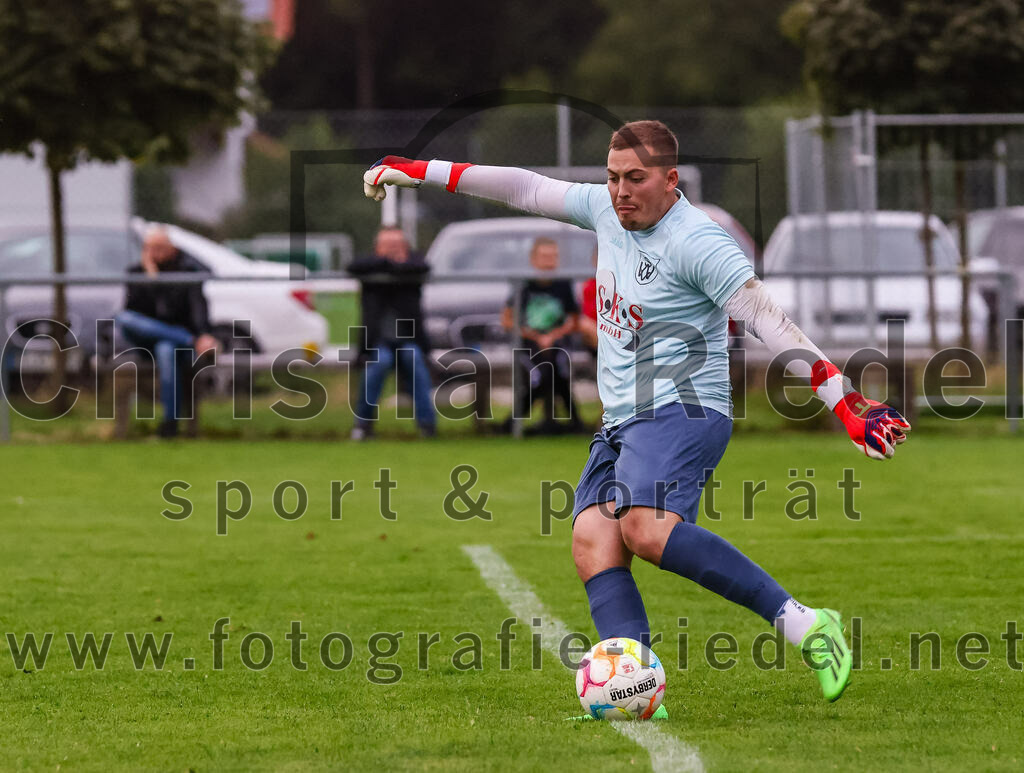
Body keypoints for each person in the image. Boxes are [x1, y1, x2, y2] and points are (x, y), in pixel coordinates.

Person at [361, 120, 911, 705]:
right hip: (624, 418)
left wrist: (846, 403)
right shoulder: (603, 210)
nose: (621, 190)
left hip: (686, 406)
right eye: (613, 177)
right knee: (593, 540)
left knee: (645, 529)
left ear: (670, 180)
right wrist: (421, 172)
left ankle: (805, 625)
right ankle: (634, 687)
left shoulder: (698, 241)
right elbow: (522, 187)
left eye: (636, 179)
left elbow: (770, 321)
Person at [115, 225, 218, 438]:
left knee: (165, 350)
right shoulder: (136, 273)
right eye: (150, 247)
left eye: (160, 247)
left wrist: (203, 332)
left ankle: (170, 425)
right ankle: (190, 339)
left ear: (172, 248)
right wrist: (151, 278)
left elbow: (193, 307)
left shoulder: (187, 272)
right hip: (146, 341)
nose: (155, 252)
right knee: (123, 318)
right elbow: (134, 311)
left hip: (172, 345)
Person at [348, 226, 436, 440]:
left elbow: (422, 266)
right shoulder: (370, 268)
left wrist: (394, 265)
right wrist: (390, 263)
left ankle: (427, 426)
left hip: (409, 340)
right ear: (377, 248)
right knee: (378, 364)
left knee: (414, 359)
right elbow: (352, 266)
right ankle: (363, 426)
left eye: (396, 245)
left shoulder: (414, 267)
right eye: (387, 246)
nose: (392, 250)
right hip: (378, 342)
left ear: (405, 247)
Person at [501, 237, 583, 434]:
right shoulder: (524, 285)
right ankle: (516, 424)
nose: (549, 261)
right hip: (529, 343)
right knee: (541, 375)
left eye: (553, 257)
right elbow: (507, 320)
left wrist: (553, 335)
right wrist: (536, 337)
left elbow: (573, 319)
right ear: (533, 259)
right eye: (545, 256)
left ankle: (567, 423)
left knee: (559, 372)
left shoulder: (563, 283)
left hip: (557, 341)